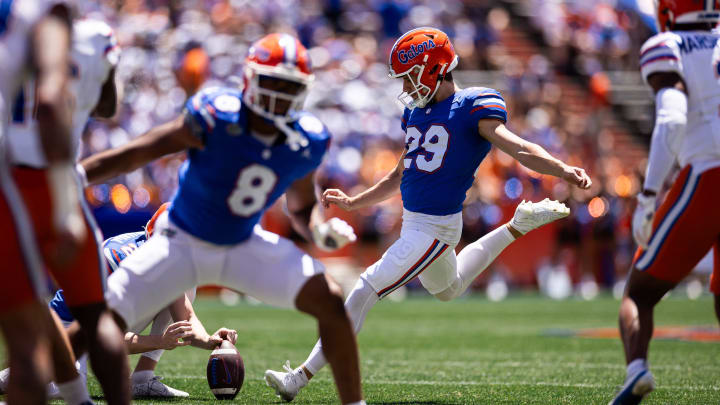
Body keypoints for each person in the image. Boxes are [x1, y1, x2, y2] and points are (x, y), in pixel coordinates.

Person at [263, 27, 592, 402]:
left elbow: (518, 148)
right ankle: (515, 227)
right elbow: (399, 174)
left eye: (409, 75)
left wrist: (562, 169)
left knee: (365, 287)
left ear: (432, 69)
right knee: (448, 289)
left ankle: (300, 377)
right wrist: (356, 202)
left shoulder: (473, 106)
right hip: (418, 224)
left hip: (434, 228)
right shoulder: (415, 114)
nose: (405, 85)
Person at [79, 33, 366, 405]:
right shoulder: (216, 114)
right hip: (181, 241)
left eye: (289, 87)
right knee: (98, 325)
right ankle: (35, 368)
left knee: (329, 298)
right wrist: (74, 176)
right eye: (272, 83)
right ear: (250, 80)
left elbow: (299, 207)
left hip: (241, 242)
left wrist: (319, 229)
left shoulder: (306, 140)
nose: (279, 95)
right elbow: (139, 151)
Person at [4, 17, 130, 405]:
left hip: (12, 185)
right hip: (59, 183)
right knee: (95, 316)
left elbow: (47, 100)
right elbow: (106, 106)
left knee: (25, 337)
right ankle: (81, 399)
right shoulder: (95, 37)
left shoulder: (17, 23)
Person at [0, 203, 239, 399]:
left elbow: (185, 316)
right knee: (59, 385)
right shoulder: (130, 269)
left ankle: (142, 378)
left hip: (96, 320)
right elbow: (101, 335)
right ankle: (16, 374)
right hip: (69, 328)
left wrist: (210, 341)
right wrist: (158, 341)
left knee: (186, 286)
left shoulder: (157, 256)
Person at [611, 1, 720, 404]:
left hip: (709, 173)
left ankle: (637, 369)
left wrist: (650, 195)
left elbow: (672, 120)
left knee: (638, 293)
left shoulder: (668, 43)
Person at [0, 1, 88, 404]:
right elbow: (51, 103)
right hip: (12, 174)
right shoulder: (36, 14)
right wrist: (67, 208)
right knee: (25, 345)